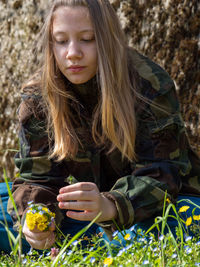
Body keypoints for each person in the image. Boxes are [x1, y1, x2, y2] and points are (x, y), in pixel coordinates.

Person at [1, 0, 200, 253]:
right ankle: (84, 240)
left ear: (108, 39)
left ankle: (90, 242)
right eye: (61, 41)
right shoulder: (39, 96)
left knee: (187, 220)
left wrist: (110, 205)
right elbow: (37, 178)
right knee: (10, 208)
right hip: (82, 209)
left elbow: (163, 173)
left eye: (87, 39)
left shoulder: (148, 84)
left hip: (153, 207)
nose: (72, 52)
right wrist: (38, 218)